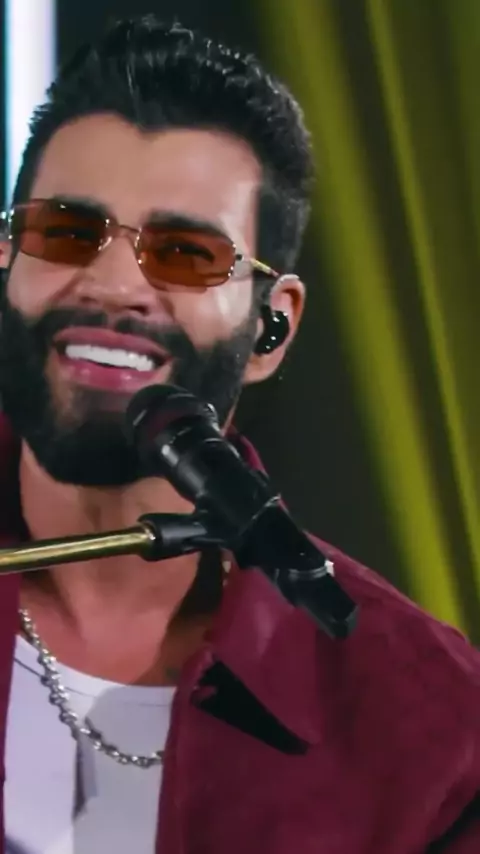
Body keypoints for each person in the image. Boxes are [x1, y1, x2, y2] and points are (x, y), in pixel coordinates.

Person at [0, 14, 478, 854]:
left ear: (271, 328)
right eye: (67, 233)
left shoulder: (431, 725)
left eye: (185, 253)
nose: (111, 284)